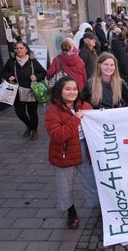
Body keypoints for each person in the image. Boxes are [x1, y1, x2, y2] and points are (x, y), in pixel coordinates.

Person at [44, 76, 99, 229]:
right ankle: (71, 211)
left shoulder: (85, 105)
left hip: (84, 148)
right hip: (64, 152)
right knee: (65, 185)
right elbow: (58, 136)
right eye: (67, 89)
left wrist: (100, 116)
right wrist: (75, 119)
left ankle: (99, 207)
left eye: (74, 89)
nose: (72, 92)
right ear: (59, 91)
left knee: (92, 180)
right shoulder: (52, 111)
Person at [2, 42, 46, 140]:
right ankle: (29, 125)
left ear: (26, 49)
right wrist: (8, 76)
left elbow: (43, 72)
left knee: (32, 112)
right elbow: (3, 72)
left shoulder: (32, 61)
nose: (19, 50)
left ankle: (34, 130)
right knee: (20, 112)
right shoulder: (11, 61)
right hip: (16, 92)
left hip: (31, 90)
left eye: (21, 48)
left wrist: (36, 77)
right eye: (16, 48)